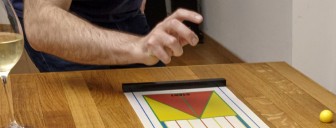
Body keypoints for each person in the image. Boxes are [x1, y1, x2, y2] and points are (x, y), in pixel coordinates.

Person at [13, 0, 203, 72]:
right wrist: (135, 47)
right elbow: (41, 23)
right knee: (93, 119)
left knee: (151, 107)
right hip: (60, 18)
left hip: (124, 12)